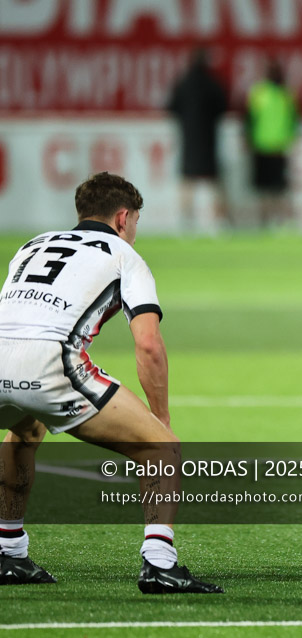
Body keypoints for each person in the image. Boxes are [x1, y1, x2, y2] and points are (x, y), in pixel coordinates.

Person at [0, 172, 222, 593]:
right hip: (50, 362)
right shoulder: (123, 254)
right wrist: (161, 420)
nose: (134, 231)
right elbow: (149, 345)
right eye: (135, 221)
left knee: (25, 429)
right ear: (123, 218)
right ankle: (159, 562)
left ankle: (8, 551)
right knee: (160, 448)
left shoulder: (32, 245)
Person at [166, 47, 231, 232]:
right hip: (208, 139)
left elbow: (171, 107)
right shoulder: (212, 83)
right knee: (214, 182)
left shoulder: (184, 83)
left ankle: (186, 221)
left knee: (188, 180)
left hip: (189, 139)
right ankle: (220, 222)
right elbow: (223, 106)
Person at [244, 58, 301, 228]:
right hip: (264, 147)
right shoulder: (263, 93)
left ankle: (280, 222)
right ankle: (267, 222)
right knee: (267, 189)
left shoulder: (282, 94)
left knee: (278, 189)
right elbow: (249, 120)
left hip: (277, 147)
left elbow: (295, 120)